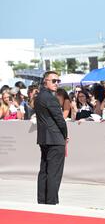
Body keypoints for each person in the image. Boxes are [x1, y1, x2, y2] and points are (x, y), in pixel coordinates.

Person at [34, 71, 68, 205]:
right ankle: (51, 202)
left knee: (44, 171)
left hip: (44, 138)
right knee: (53, 173)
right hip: (55, 139)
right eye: (53, 81)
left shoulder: (39, 97)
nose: (56, 83)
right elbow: (60, 120)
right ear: (45, 81)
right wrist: (65, 135)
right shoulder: (50, 98)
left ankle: (42, 201)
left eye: (58, 81)